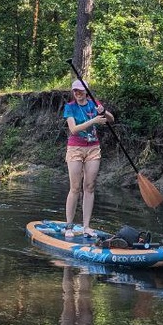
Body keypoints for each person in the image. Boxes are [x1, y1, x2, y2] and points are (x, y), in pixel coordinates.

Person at [63, 79, 114, 238]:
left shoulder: (94, 103)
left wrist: (103, 111)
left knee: (90, 186)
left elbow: (110, 119)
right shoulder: (69, 107)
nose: (77, 93)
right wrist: (94, 120)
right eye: (75, 91)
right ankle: (69, 226)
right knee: (75, 188)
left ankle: (86, 227)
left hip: (93, 148)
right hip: (75, 148)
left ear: (86, 90)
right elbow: (73, 130)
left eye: (80, 90)